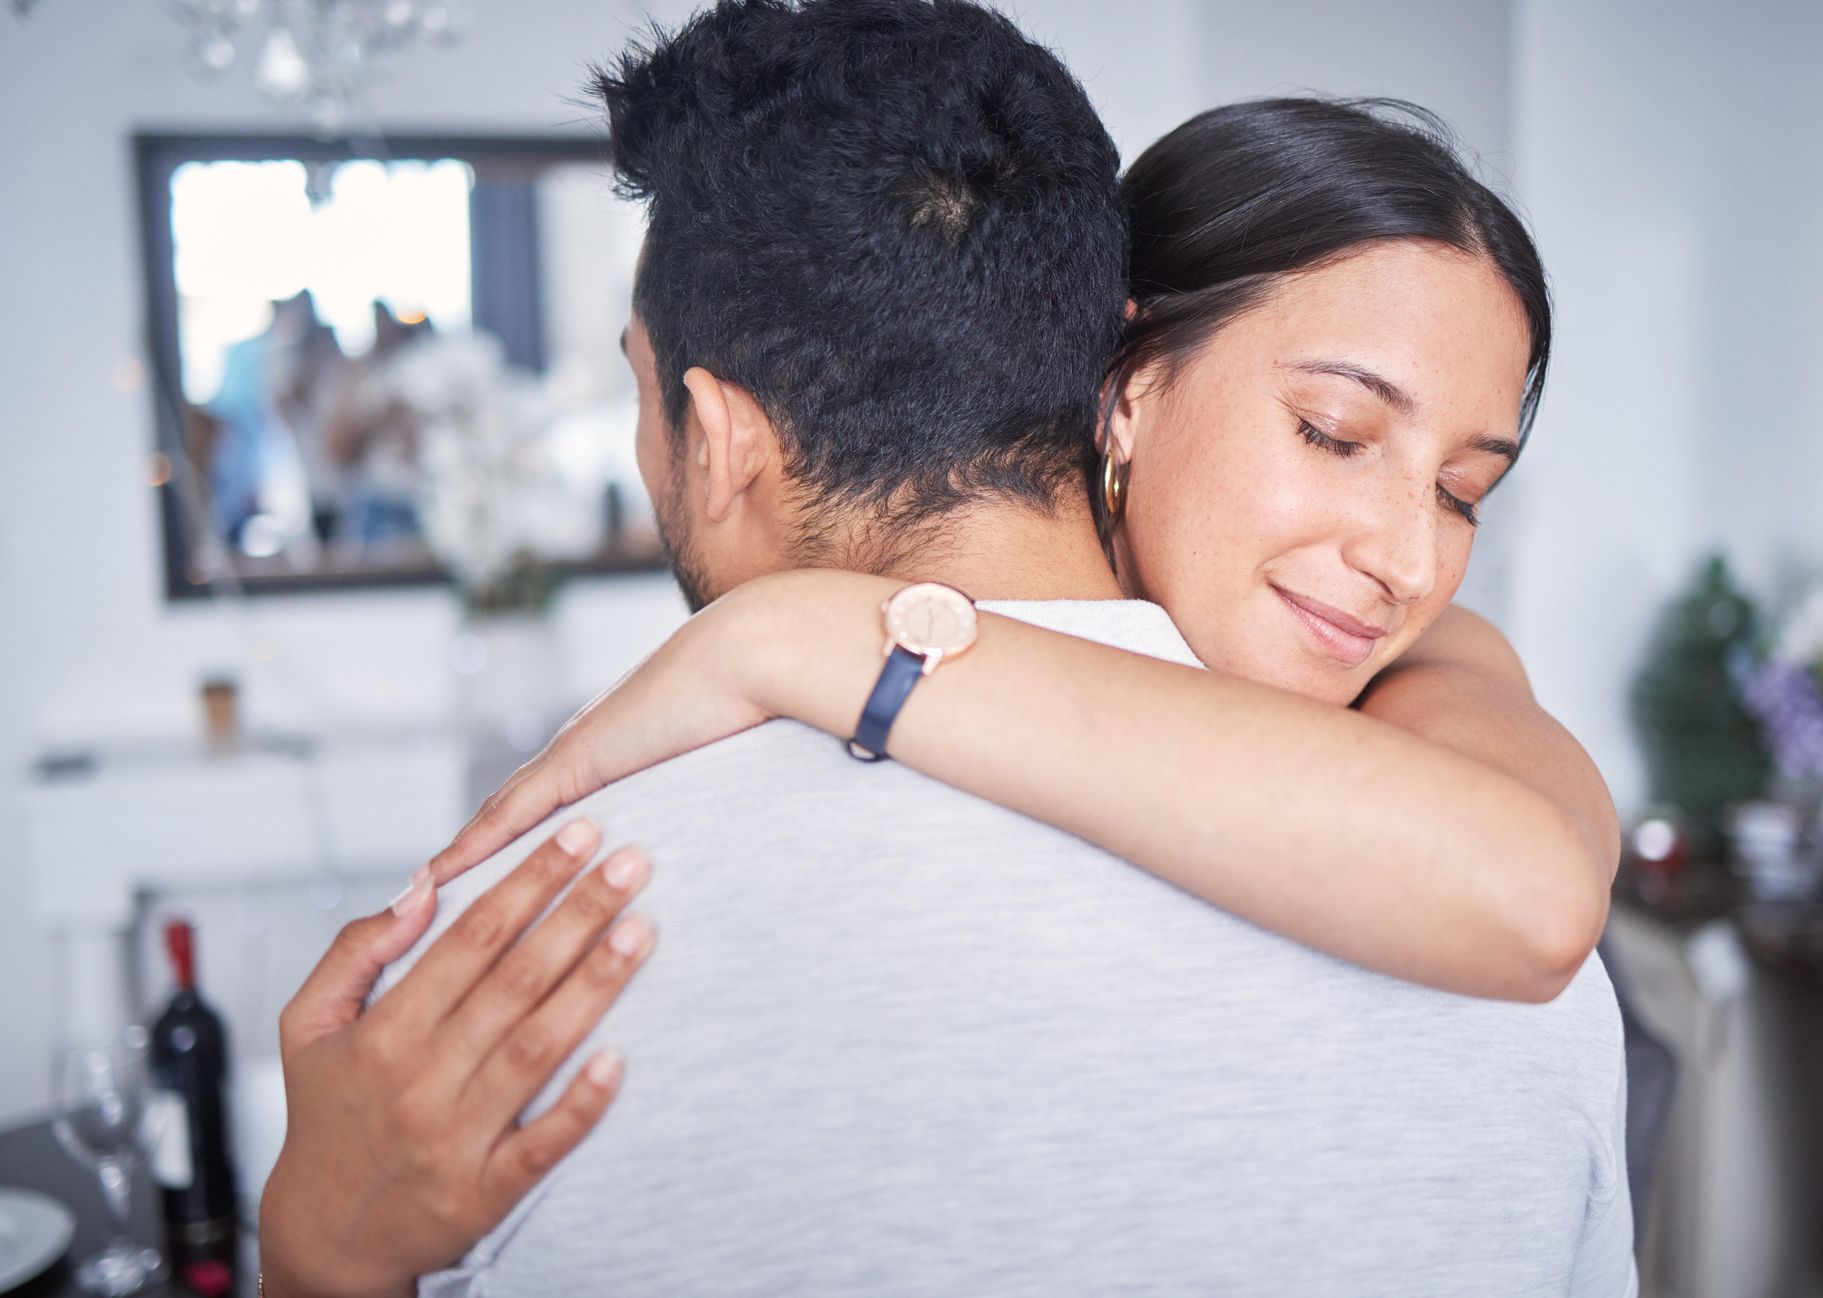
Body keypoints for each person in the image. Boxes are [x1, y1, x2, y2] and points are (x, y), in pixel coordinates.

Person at [261, 2, 1634, 1294]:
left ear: (718, 434)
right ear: (1121, 379)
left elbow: (1527, 880)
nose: (1408, 559)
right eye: (1334, 434)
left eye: (1466, 493)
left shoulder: (511, 972)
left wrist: (316, 1256)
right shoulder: (1519, 965)